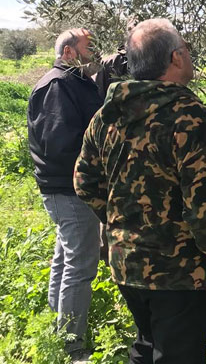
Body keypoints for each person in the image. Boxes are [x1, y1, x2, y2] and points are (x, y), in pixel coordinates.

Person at [74, 18, 206, 363]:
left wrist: (121, 226)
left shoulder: (108, 115)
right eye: (187, 49)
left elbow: (84, 182)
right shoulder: (191, 120)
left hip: (126, 263)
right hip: (178, 273)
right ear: (176, 57)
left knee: (146, 347)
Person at [27, 28, 103, 359]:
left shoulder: (76, 82)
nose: (95, 52)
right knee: (81, 265)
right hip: (69, 188)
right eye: (89, 47)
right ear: (69, 52)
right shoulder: (57, 85)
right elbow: (60, 143)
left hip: (70, 188)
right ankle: (73, 347)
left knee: (66, 256)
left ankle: (58, 325)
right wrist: (96, 161)